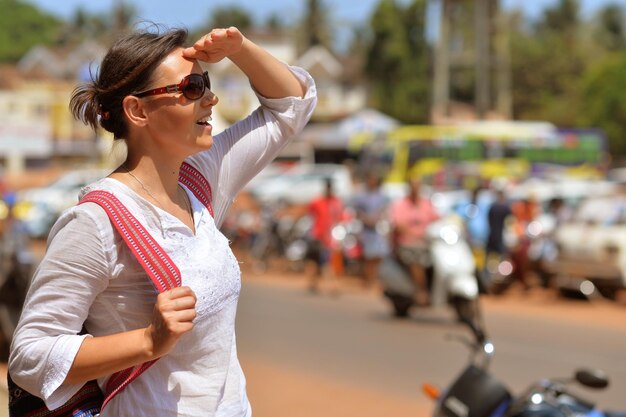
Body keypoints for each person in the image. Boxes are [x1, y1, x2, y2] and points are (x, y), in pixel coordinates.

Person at [8, 25, 316, 417]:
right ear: (137, 110)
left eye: (205, 84)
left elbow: (292, 105)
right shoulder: (96, 222)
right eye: (191, 89)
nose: (210, 99)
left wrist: (240, 49)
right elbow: (30, 355)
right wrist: (149, 341)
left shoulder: (200, 179)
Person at [389, 178, 439, 305]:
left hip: (427, 242)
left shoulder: (425, 204)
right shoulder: (401, 205)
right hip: (407, 243)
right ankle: (421, 290)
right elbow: (399, 226)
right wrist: (415, 235)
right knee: (416, 259)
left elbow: (437, 219)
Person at [352, 173, 390, 288]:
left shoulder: (382, 196)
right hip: (366, 231)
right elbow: (356, 211)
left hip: (378, 230)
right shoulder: (361, 196)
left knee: (379, 256)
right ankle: (367, 280)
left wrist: (377, 218)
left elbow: (385, 210)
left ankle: (375, 278)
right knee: (367, 256)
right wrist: (366, 218)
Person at [306, 178, 344, 293]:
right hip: (316, 235)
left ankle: (334, 285)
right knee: (314, 260)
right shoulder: (317, 201)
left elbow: (340, 219)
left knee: (326, 260)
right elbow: (310, 214)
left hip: (328, 237)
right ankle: (313, 283)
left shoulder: (336, 202)